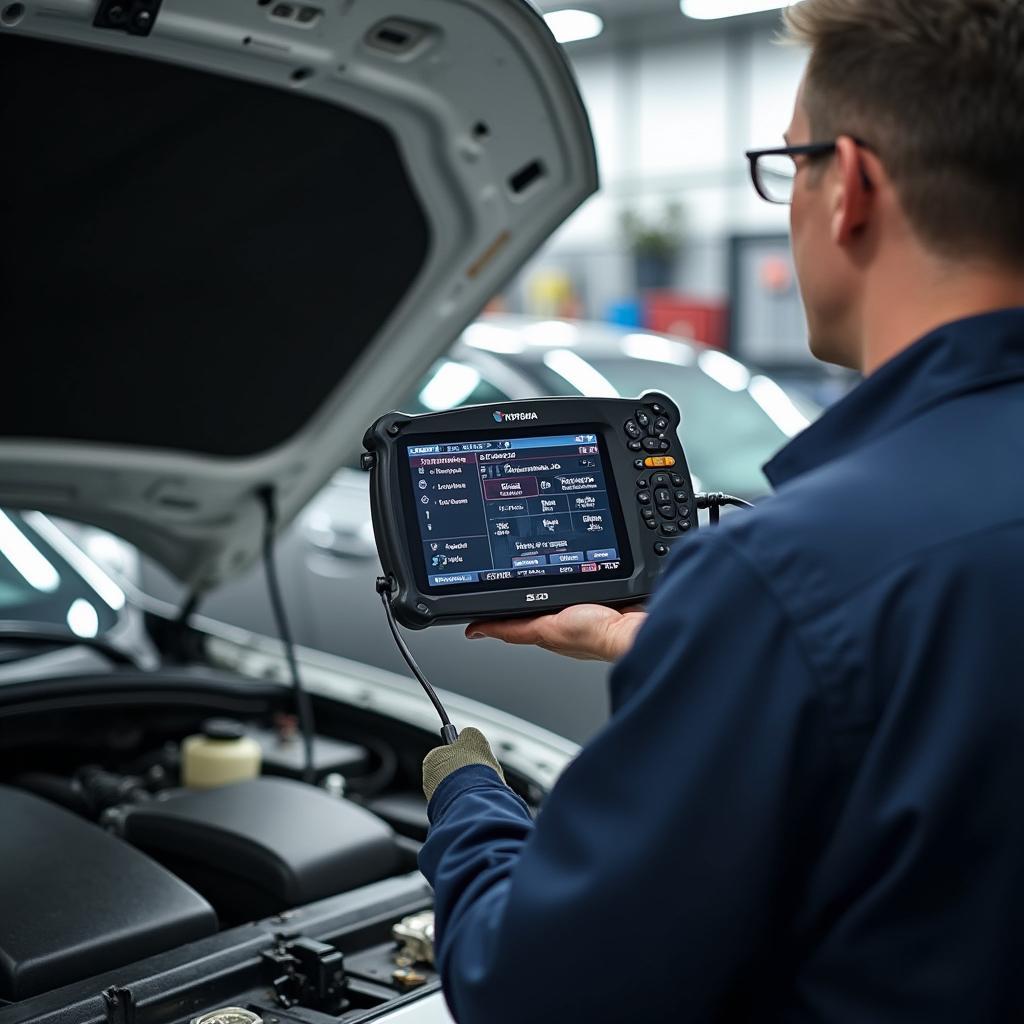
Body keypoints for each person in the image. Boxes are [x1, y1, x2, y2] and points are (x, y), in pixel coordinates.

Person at [417, 0, 1024, 1019]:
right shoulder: (809, 591)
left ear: (852, 189)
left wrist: (463, 798)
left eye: (786, 166)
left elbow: (532, 993)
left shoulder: (792, 574)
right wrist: (707, 652)